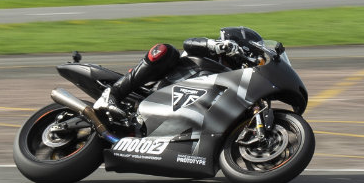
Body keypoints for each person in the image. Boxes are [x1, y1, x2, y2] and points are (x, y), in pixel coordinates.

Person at [94, 27, 265, 116]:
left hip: (180, 110)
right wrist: (216, 45)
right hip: (156, 88)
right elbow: (188, 43)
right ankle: (113, 94)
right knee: (166, 50)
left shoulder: (234, 77)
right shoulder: (211, 53)